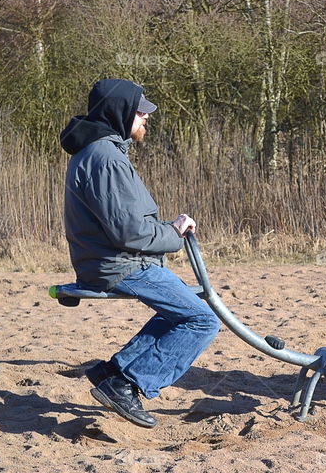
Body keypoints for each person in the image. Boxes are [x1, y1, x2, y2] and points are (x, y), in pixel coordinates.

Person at [60, 78, 220, 428]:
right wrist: (174, 233)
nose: (146, 119)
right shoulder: (105, 159)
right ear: (119, 113)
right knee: (202, 320)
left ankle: (112, 371)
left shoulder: (101, 153)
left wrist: (167, 229)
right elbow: (128, 232)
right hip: (118, 265)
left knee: (177, 312)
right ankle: (126, 383)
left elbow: (125, 222)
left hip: (112, 260)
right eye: (140, 112)